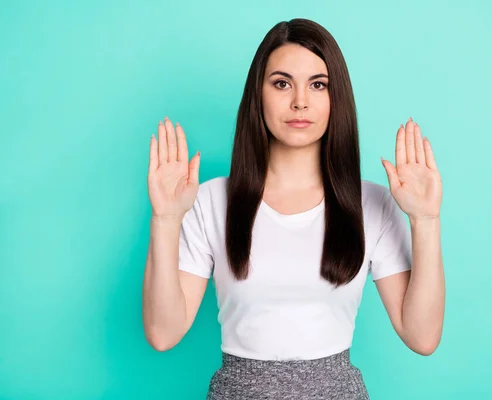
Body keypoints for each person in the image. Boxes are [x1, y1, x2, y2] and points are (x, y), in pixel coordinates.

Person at [143, 18, 445, 400]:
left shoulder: (371, 204)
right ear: (259, 95)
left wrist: (425, 219)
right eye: (282, 83)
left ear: (337, 98)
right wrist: (166, 220)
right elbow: (162, 333)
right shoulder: (209, 200)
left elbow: (423, 337)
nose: (300, 100)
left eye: (318, 84)